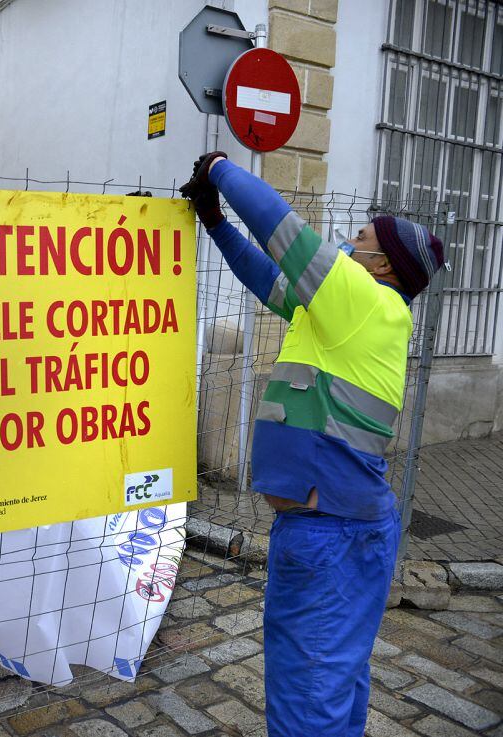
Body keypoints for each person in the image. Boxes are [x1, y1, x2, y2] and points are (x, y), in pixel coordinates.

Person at [179, 152, 445, 736]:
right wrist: (217, 223)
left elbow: (282, 230)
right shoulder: (342, 314)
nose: (347, 245)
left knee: (307, 698)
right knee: (332, 685)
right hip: (345, 528)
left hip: (330, 537)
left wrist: (220, 167)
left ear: (385, 265)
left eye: (359, 239)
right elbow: (265, 274)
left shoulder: (365, 302)